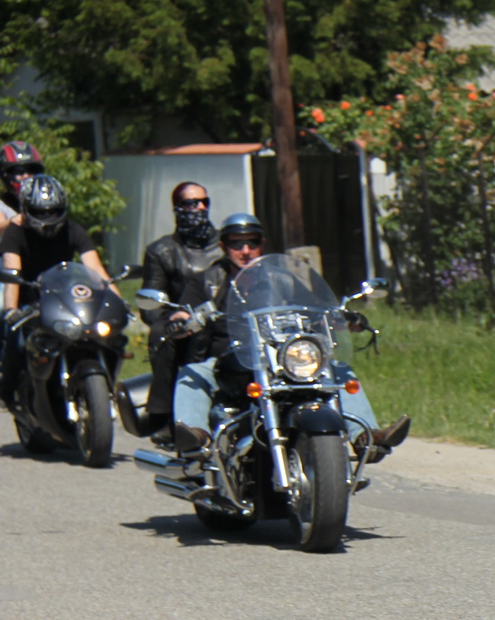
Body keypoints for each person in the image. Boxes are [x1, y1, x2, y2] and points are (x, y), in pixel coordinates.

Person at [169, 212, 409, 459]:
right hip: (229, 358)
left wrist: (343, 319)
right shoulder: (207, 281)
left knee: (338, 370)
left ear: (262, 244)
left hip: (281, 356)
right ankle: (197, 438)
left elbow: (316, 308)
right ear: (223, 246)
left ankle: (366, 437)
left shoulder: (282, 279)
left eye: (252, 242)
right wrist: (180, 321)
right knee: (192, 373)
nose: (245, 250)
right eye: (236, 244)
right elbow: (184, 312)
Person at [1, 174, 115, 411]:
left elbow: (97, 270)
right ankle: (9, 395)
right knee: (17, 344)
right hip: (30, 303)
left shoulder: (73, 230)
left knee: (109, 340)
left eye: (54, 211)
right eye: (40, 211)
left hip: (67, 299)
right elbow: (12, 274)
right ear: (26, 209)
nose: (47, 217)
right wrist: (11, 310)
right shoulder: (15, 232)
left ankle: (104, 389)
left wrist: (117, 301)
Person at [137, 181, 223, 434]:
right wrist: (173, 318)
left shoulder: (225, 246)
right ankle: (163, 414)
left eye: (204, 202)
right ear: (177, 208)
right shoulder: (161, 251)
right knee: (161, 333)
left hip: (224, 315)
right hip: (182, 319)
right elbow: (150, 305)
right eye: (192, 203)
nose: (200, 208)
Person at [0, 141, 45, 228]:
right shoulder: (2, 206)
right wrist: (12, 222)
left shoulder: (46, 202)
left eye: (32, 170)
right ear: (5, 175)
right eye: (19, 171)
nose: (26, 175)